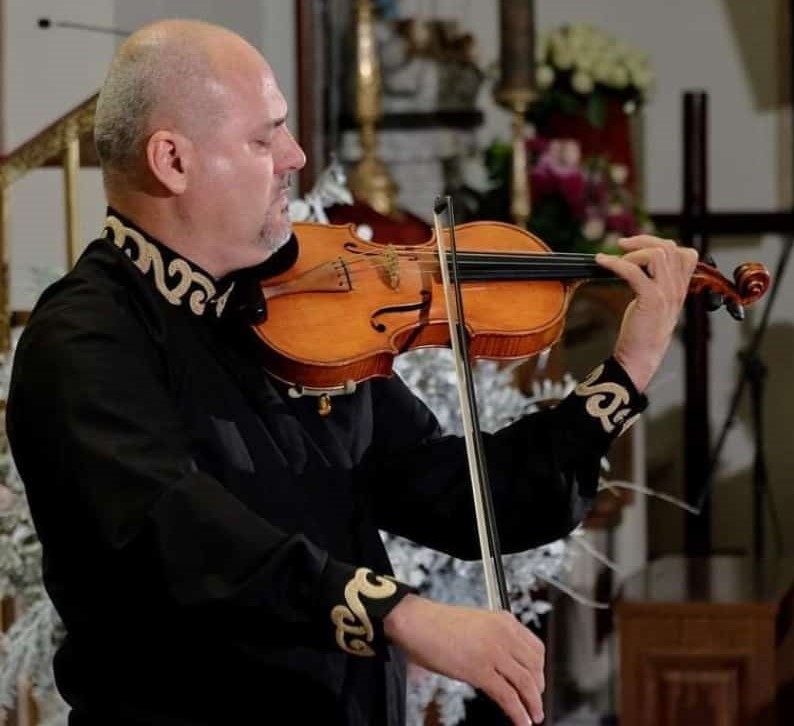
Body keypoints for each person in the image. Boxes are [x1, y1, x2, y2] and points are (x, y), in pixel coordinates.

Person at [5, 19, 697, 726]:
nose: (296, 155)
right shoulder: (84, 340)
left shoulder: (295, 312)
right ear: (172, 160)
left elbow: (455, 495)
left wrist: (624, 375)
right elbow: (175, 534)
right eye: (263, 138)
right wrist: (397, 612)